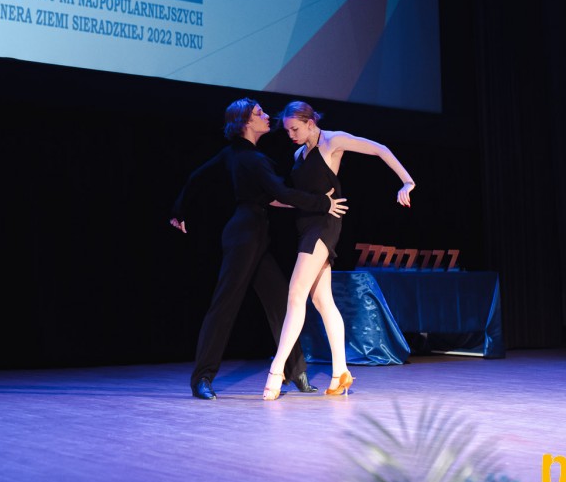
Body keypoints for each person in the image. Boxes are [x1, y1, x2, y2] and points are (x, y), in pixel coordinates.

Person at [170, 97, 348, 400]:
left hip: (255, 236)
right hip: (244, 237)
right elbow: (281, 192)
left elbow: (199, 178)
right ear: (245, 122)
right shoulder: (251, 159)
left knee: (280, 300)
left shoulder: (240, 155)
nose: (267, 116)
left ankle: (297, 371)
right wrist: (322, 203)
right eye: (259, 113)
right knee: (225, 305)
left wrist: (179, 209)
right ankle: (202, 378)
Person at [262, 101, 416, 401]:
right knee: (323, 301)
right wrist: (272, 200)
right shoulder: (298, 154)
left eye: (295, 129)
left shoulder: (333, 141)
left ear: (310, 122)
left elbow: (380, 149)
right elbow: (303, 198)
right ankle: (340, 373)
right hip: (306, 225)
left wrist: (407, 182)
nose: (291, 135)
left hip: (324, 225)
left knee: (296, 294)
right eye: (287, 130)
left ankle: (276, 371)